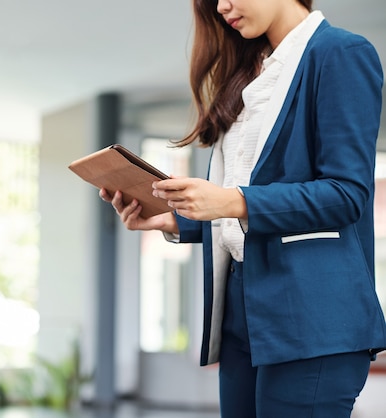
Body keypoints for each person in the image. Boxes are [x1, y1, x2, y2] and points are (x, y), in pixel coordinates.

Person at [100, 0, 386, 417]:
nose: (222, 6)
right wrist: (177, 220)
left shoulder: (339, 54)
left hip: (313, 315)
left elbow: (345, 195)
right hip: (241, 305)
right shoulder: (249, 74)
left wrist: (229, 200)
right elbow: (242, 202)